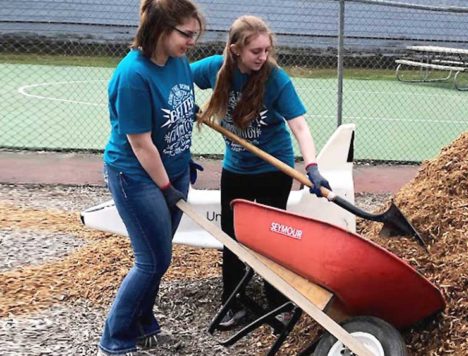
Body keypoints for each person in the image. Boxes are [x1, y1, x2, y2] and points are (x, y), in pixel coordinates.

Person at [190, 15, 331, 328]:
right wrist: (185, 103)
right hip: (236, 168)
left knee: (270, 236)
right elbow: (177, 79)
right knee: (232, 235)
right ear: (236, 49)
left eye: (267, 50)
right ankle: (233, 304)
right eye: (256, 51)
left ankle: (277, 301)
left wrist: (312, 167)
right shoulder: (215, 68)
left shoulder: (275, 79)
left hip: (273, 168)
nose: (263, 57)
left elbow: (300, 127)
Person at [98, 0, 204, 354]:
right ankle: (114, 339)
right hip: (136, 177)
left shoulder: (177, 61)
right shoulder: (132, 75)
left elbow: (178, 101)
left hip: (172, 172)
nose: (192, 42)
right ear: (161, 29)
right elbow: (141, 144)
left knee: (160, 255)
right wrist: (167, 188)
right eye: (186, 34)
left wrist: (190, 111)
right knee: (152, 260)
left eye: (194, 35)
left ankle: (143, 323)